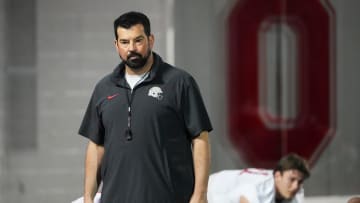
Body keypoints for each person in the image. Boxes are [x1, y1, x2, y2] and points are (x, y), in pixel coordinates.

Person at [78, 11, 212, 203]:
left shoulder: (179, 82)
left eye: (138, 40)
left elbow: (200, 138)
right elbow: (97, 146)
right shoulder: (103, 89)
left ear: (151, 40)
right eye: (124, 42)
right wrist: (88, 197)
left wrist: (200, 194)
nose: (132, 48)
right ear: (116, 45)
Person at [207, 153, 310, 203]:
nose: (295, 186)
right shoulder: (260, 188)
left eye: (300, 181)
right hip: (210, 191)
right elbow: (245, 200)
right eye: (291, 179)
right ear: (278, 176)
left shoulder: (297, 191)